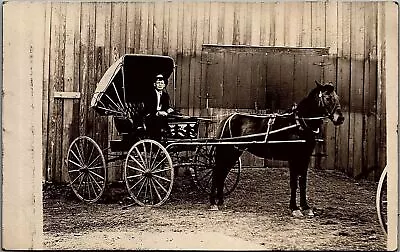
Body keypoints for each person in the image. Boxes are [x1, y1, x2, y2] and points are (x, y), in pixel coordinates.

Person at [144, 74, 174, 140]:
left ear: (164, 85)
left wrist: (168, 109)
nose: (160, 84)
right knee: (157, 121)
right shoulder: (149, 95)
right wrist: (158, 113)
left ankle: (171, 137)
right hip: (149, 116)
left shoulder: (165, 95)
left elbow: (165, 106)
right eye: (158, 83)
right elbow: (148, 108)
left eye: (162, 83)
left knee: (171, 120)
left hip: (160, 117)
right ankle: (157, 140)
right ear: (154, 84)